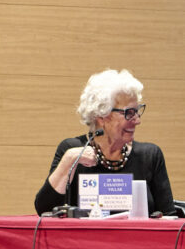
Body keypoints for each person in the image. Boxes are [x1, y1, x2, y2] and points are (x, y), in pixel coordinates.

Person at [35, 68, 174, 215]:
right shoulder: (73, 150)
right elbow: (44, 210)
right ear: (101, 116)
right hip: (85, 238)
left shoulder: (149, 156)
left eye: (137, 111)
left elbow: (170, 217)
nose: (137, 120)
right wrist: (69, 160)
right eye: (129, 113)